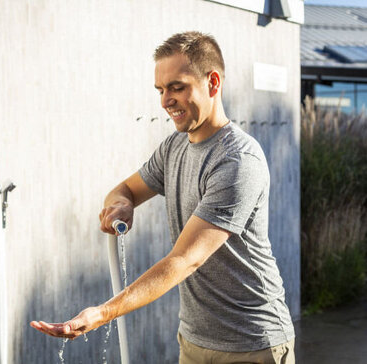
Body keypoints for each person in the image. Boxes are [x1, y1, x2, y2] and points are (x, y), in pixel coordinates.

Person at [31, 31, 295, 363]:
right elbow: (123, 189)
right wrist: (124, 204)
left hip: (251, 343)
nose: (165, 100)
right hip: (194, 339)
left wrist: (101, 314)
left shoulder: (238, 161)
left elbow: (185, 259)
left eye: (177, 87)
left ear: (212, 83)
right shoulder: (174, 147)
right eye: (160, 89)